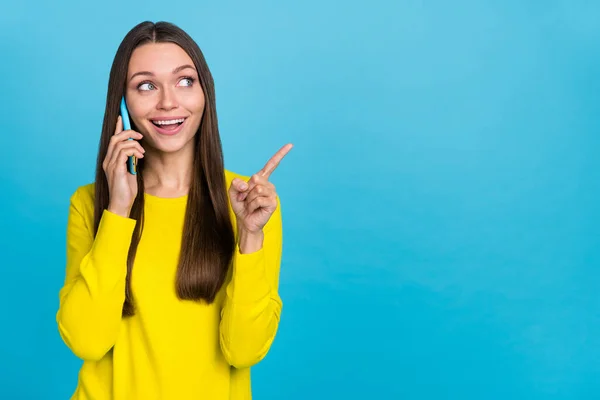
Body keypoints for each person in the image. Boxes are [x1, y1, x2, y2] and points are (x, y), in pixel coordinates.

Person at [56, 20, 292, 400]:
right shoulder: (89, 205)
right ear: (122, 103)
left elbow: (244, 351)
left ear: (205, 94)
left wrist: (249, 233)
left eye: (185, 81)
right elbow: (86, 341)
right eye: (146, 85)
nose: (168, 101)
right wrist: (118, 210)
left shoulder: (248, 205)